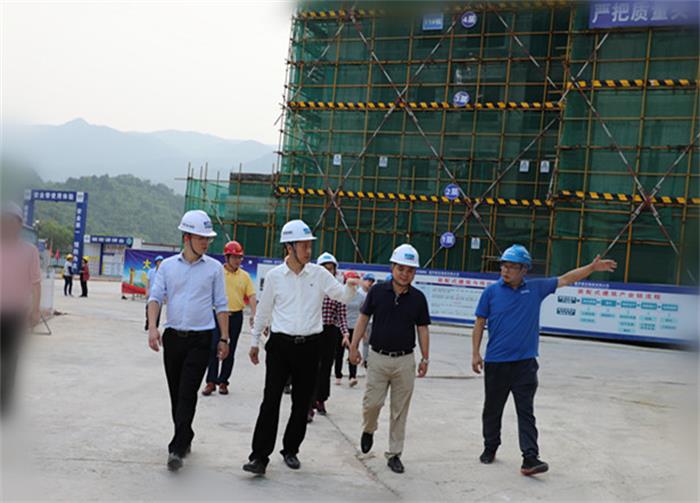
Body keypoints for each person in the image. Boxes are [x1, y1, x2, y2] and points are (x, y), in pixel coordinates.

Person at [471, 244, 617, 476]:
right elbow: (480, 322)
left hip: (525, 364)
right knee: (492, 409)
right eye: (503, 265)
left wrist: (592, 267)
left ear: (524, 270)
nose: (505, 270)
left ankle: (530, 458)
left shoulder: (536, 289)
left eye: (512, 266)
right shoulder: (491, 292)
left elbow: (566, 279)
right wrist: (475, 353)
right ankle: (490, 446)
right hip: (497, 362)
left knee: (526, 411)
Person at [243, 219, 359, 476]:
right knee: (270, 401)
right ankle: (259, 457)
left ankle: (291, 449)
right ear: (289, 247)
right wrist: (254, 342)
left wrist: (350, 288)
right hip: (280, 346)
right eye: (304, 246)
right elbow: (263, 311)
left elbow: (341, 295)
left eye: (309, 246)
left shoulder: (319, 274)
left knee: (301, 402)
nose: (308, 251)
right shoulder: (275, 277)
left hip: (310, 346)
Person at [147, 210, 230, 472]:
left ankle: (177, 447)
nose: (206, 242)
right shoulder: (167, 266)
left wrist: (224, 338)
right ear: (187, 237)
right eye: (201, 237)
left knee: (187, 392)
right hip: (173, 338)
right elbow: (155, 298)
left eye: (208, 238)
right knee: (176, 392)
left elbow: (221, 305)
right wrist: (153, 328)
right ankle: (186, 434)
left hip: (201, 338)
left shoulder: (214, 269)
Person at [349, 244, 431, 474]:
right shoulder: (377, 292)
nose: (405, 274)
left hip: (404, 361)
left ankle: (394, 453)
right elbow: (363, 319)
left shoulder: (418, 299)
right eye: (401, 268)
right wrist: (354, 348)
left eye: (410, 270)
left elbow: (423, 329)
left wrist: (425, 358)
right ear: (392, 267)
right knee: (372, 403)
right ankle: (369, 428)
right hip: (378, 358)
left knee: (400, 410)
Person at [0, 202, 41, 416]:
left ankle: (5, 400)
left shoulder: (29, 251)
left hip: (16, 313)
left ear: (19, 225)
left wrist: (35, 310)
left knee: (10, 357)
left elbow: (36, 283)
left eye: (12, 221)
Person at [202, 240, 256, 396]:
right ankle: (211, 381)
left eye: (239, 257)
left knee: (230, 350)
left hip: (236, 316)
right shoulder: (218, 272)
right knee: (213, 347)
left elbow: (252, 295)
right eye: (234, 257)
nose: (237, 260)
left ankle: (223, 381)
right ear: (227, 257)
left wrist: (254, 313)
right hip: (218, 315)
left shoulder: (245, 276)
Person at [310, 251, 350, 419]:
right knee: (311, 367)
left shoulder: (338, 290)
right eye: (324, 268)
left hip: (330, 332)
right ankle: (308, 403)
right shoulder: (311, 286)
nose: (328, 271)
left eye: (331, 268)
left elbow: (341, 315)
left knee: (326, 367)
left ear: (335, 271)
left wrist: (345, 334)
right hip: (312, 330)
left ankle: (321, 399)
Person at [335, 271, 363, 387]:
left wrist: (363, 330)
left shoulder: (361, 297)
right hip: (341, 327)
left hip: (354, 327)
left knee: (353, 350)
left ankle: (352, 376)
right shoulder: (340, 294)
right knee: (339, 353)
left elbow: (363, 314)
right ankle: (338, 375)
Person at [359, 273, 375, 368]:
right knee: (363, 342)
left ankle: (366, 359)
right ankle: (363, 359)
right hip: (362, 322)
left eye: (372, 281)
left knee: (369, 342)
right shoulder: (359, 293)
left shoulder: (372, 292)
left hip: (372, 321)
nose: (370, 283)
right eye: (368, 280)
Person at [144, 255, 163, 330]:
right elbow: (148, 282)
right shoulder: (151, 271)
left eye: (161, 262)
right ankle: (148, 322)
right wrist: (147, 291)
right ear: (156, 262)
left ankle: (155, 325)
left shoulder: (163, 273)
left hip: (160, 294)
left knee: (158, 311)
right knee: (148, 308)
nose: (160, 263)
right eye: (159, 261)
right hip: (151, 293)